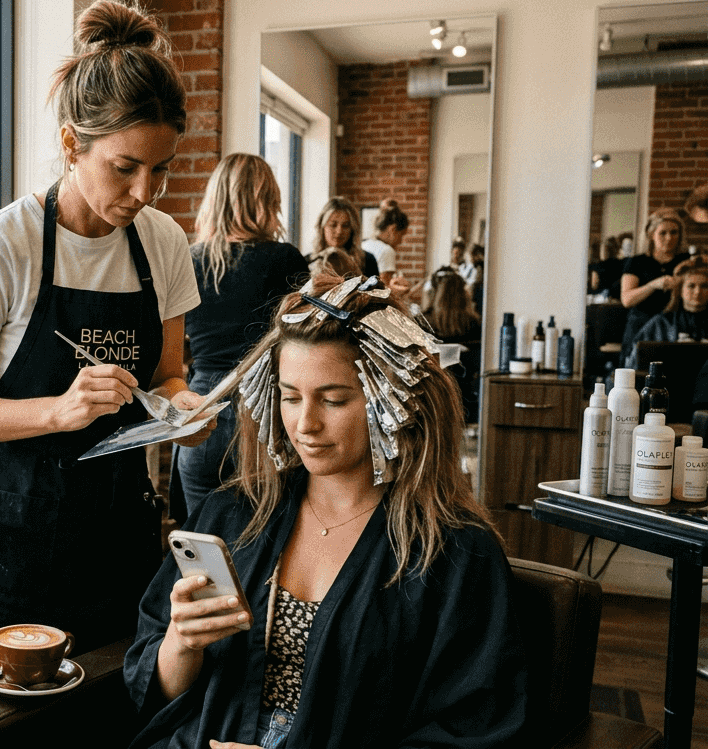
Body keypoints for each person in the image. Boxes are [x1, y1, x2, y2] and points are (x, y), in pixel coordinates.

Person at [0, 0, 210, 745]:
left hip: (115, 535)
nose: (144, 192)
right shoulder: (9, 242)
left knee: (100, 728)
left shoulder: (164, 244)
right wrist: (56, 411)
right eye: (124, 168)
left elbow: (170, 377)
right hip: (8, 539)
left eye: (161, 170)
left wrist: (185, 412)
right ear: (71, 145)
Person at [124, 273, 527, 749]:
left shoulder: (454, 554)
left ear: (390, 399)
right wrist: (181, 644)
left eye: (334, 399)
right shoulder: (232, 514)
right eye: (290, 397)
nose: (305, 424)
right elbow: (153, 692)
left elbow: (474, 729)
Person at [175, 153, 308, 521]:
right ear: (267, 200)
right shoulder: (284, 260)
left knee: (203, 549)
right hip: (264, 418)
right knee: (265, 550)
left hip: (201, 414)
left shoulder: (190, 259)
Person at [620, 207, 690, 365]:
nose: (669, 238)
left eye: (674, 233)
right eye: (663, 233)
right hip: (640, 325)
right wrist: (653, 285)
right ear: (651, 234)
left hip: (675, 328)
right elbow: (627, 300)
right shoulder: (637, 262)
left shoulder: (686, 262)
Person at [423, 270, 482, 422]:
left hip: (432, 398)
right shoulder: (474, 325)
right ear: (462, 295)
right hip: (466, 397)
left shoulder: (423, 323)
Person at [628, 255, 708, 368]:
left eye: (704, 286)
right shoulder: (661, 323)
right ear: (680, 290)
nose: (698, 292)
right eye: (691, 286)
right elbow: (636, 362)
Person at [306, 198, 377, 278]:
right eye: (333, 225)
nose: (339, 231)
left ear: (352, 229)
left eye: (345, 226)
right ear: (322, 227)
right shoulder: (307, 261)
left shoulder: (367, 260)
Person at [361, 198, 412, 296]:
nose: (401, 241)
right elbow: (383, 291)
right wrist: (405, 289)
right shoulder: (387, 251)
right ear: (393, 230)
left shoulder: (364, 244)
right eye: (401, 235)